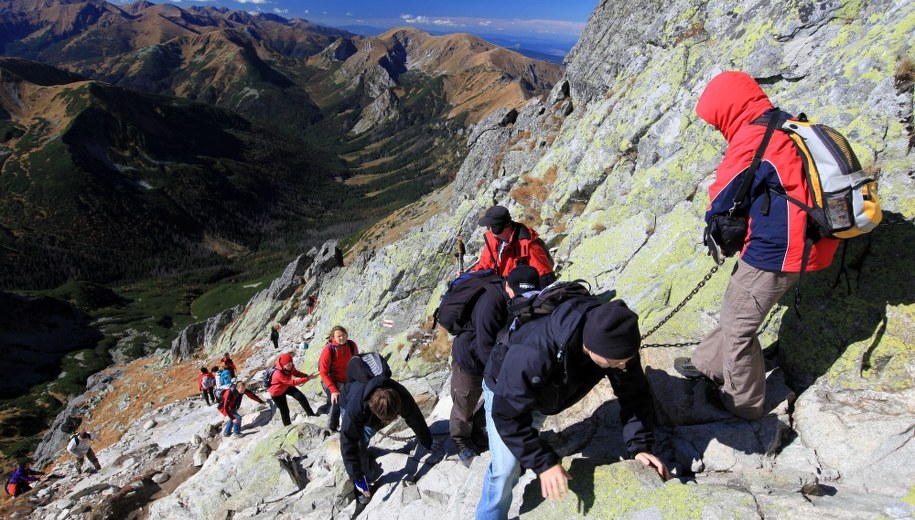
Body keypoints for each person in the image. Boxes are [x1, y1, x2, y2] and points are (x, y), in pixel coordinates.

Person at [674, 71, 839, 420]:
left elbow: (722, 196)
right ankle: (707, 363)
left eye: (717, 119)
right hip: (803, 241)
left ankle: (743, 404)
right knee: (737, 308)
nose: (718, 128)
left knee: (739, 327)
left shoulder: (754, 137)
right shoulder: (785, 124)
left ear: (728, 109)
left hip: (777, 250)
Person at [477, 299, 668, 519]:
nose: (623, 365)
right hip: (504, 387)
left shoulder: (616, 347)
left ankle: (524, 453)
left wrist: (640, 446)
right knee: (505, 470)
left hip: (542, 393)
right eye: (617, 361)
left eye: (626, 360)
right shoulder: (534, 353)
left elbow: (634, 394)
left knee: (521, 448)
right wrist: (544, 464)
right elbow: (506, 416)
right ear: (592, 347)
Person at [450, 265, 541, 468]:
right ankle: (460, 442)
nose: (522, 298)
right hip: (469, 358)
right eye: (518, 293)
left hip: (495, 354)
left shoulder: (520, 297)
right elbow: (483, 346)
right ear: (507, 285)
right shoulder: (491, 303)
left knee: (495, 398)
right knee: (465, 402)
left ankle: (479, 430)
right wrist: (496, 376)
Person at [340, 354, 432, 503]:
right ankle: (365, 481)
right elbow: (348, 441)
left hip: (371, 409)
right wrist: (357, 477)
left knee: (366, 436)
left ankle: (366, 455)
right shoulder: (355, 407)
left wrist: (427, 440)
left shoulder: (399, 393)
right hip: (348, 400)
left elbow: (414, 416)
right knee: (358, 443)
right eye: (386, 420)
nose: (390, 422)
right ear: (372, 408)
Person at [469, 205, 556, 287]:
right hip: (501, 287)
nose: (487, 229)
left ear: (498, 228)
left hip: (521, 292)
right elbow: (484, 264)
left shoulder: (529, 245)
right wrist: (469, 275)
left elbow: (545, 277)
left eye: (490, 226)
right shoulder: (492, 240)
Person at [318, 326, 359, 432]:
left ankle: (351, 423)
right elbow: (323, 372)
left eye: (343, 335)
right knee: (336, 401)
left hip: (346, 380)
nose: (342, 338)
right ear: (333, 337)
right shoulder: (328, 350)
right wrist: (333, 390)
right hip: (330, 381)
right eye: (338, 336)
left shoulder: (351, 345)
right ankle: (332, 428)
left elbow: (356, 362)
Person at [269, 352, 318, 425]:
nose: (290, 367)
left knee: (301, 397)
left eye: (291, 364)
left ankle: (311, 414)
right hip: (277, 393)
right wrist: (307, 378)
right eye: (288, 365)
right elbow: (292, 382)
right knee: (284, 410)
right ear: (282, 365)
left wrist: (306, 376)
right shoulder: (277, 373)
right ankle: (288, 426)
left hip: (286, 386)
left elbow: (296, 373)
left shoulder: (290, 366)